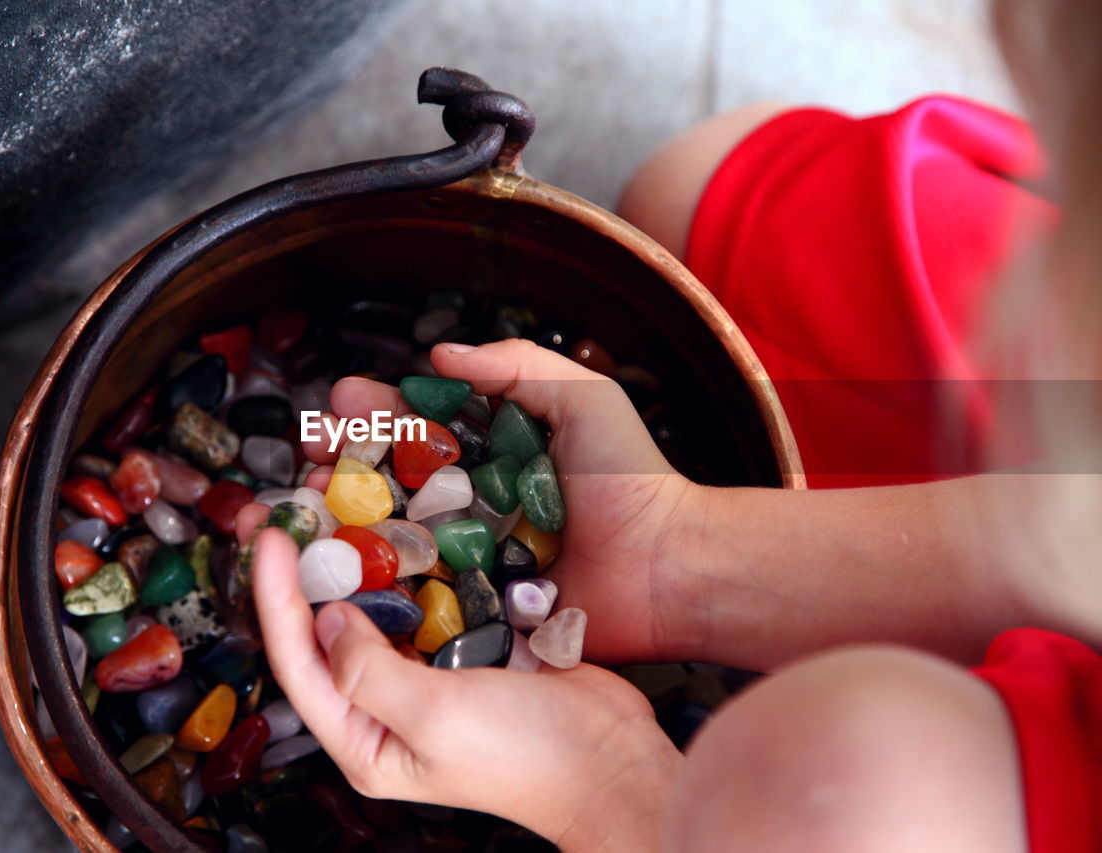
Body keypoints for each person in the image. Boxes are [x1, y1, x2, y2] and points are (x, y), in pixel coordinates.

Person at [248, 0, 1101, 848]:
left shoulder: (861, 780)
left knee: (847, 780)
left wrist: (611, 791)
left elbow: (839, 802)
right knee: (701, 183)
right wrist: (680, 550)